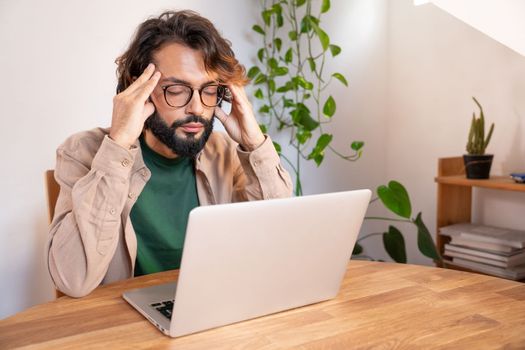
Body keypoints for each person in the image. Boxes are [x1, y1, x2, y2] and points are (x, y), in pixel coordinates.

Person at [47, 10, 293, 298]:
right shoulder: (83, 153)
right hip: (123, 327)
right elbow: (72, 280)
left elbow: (280, 246)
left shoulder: (225, 153)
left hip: (210, 310)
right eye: (177, 90)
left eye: (209, 90)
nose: (197, 108)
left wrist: (254, 145)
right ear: (140, 89)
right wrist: (117, 145)